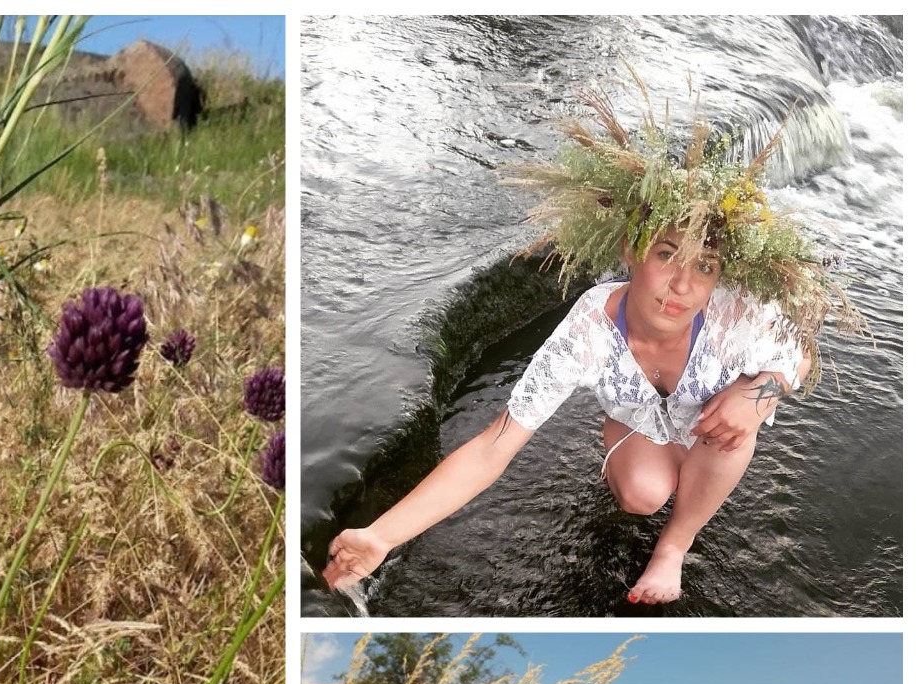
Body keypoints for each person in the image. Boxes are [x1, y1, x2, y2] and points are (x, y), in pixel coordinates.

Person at [323, 86, 861, 606]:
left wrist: (759, 391)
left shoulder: (732, 311)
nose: (682, 285)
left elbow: (799, 352)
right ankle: (636, 442)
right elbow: (494, 443)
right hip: (641, 427)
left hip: (712, 430)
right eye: (668, 254)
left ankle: (674, 546)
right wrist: (382, 535)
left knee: (735, 428)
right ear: (632, 248)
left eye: (704, 266)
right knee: (642, 495)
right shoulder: (587, 330)